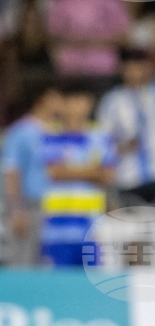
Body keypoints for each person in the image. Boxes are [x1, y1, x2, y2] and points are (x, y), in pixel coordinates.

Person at [39, 81, 116, 267]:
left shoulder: (101, 136)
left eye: (81, 100)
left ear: (90, 103)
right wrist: (92, 170)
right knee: (59, 282)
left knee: (90, 281)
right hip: (57, 229)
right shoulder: (50, 134)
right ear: (63, 104)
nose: (77, 106)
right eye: (72, 100)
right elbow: (54, 172)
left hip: (91, 228)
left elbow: (108, 175)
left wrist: (69, 170)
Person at [97, 48, 155, 206]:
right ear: (122, 69)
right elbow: (102, 141)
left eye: (139, 67)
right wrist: (122, 147)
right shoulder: (111, 101)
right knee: (130, 220)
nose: (135, 72)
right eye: (130, 67)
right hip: (128, 176)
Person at [2, 81, 61, 265]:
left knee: (48, 263)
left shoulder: (58, 131)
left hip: (55, 206)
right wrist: (16, 210)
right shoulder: (21, 132)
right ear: (42, 100)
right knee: (24, 261)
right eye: (56, 98)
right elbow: (11, 172)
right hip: (30, 205)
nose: (60, 102)